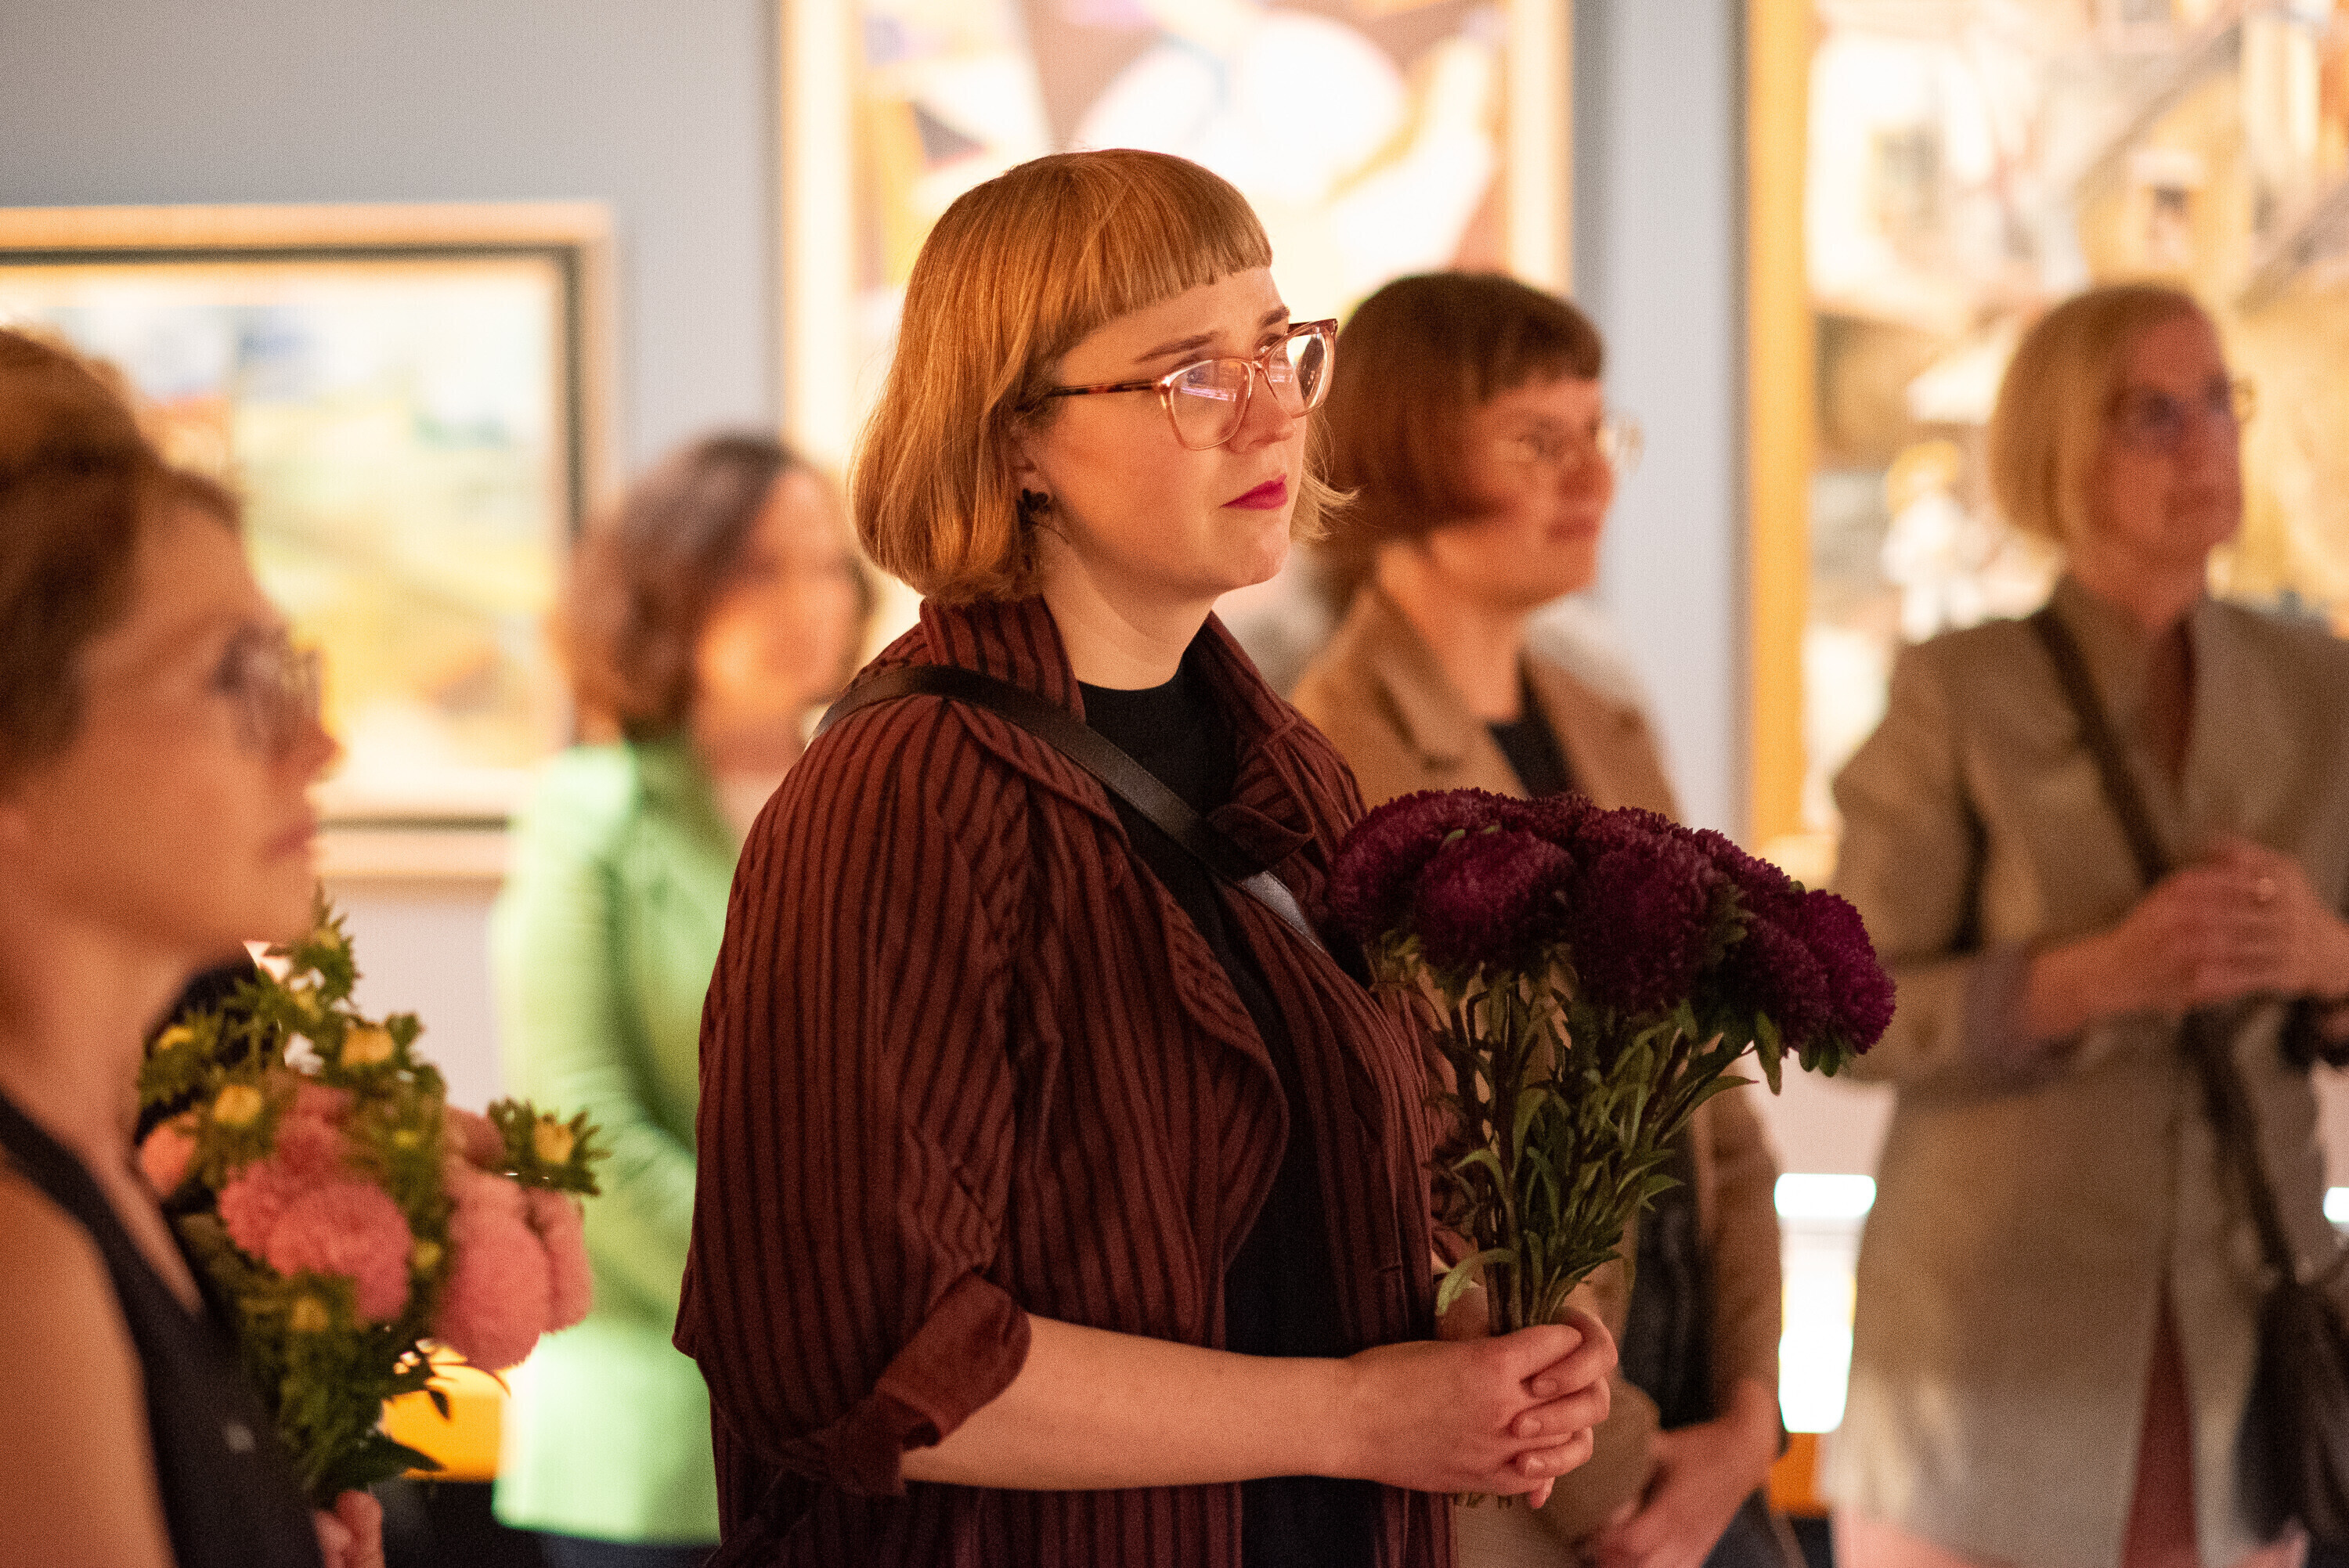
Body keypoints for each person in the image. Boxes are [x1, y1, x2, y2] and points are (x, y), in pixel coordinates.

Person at [673, 148, 1616, 1568]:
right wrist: (1355, 1418)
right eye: (1192, 376)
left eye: (1280, 351)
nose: (1273, 414)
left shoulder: (1285, 764)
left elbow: (1319, 1204)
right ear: (1015, 440)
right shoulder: (904, 793)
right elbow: (863, 1354)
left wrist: (1484, 1313)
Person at [1827, 282, 2349, 1568]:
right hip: (1992, 1330)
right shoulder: (1958, 691)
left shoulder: (2322, 689)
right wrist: (2091, 979)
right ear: (2058, 443)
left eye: (2220, 402)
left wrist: (2324, 957)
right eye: (2152, 415)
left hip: (2247, 1311)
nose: (2204, 444)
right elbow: (1847, 1010)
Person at [1290, 272, 1797, 1568]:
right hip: (1533, 1473)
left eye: (1597, 432)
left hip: (1698, 1417)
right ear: (1408, 450)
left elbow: (1719, 1109)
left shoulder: (1608, 728)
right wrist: (1619, 1484)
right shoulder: (1329, 757)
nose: (1592, 478)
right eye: (1536, 440)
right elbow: (1419, 1184)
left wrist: (1749, 1424)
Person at [0, 327, 378, 1568]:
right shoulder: (21, 1268)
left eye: (288, 671)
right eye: (232, 678)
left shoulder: (97, 1168)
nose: (315, 746)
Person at [489, 434, 868, 1565]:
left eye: (825, 565)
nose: (805, 602)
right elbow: (580, 1130)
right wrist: (805, 1310)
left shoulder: (869, 800)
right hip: (653, 1447)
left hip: (869, 1430)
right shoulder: (589, 814)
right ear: (669, 589)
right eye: (757, 567)